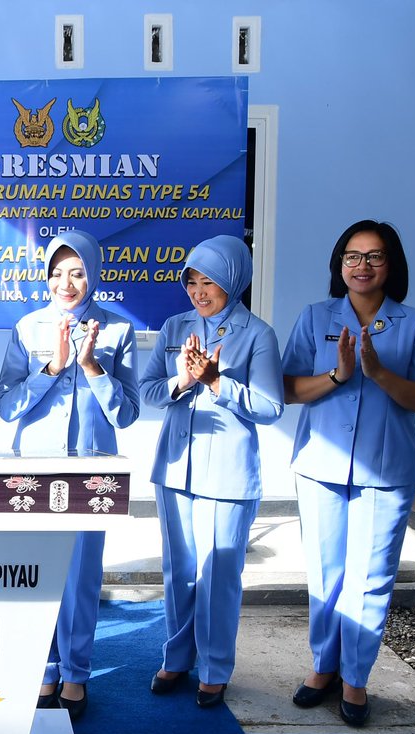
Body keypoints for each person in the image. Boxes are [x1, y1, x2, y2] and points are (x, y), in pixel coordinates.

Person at [282, 220, 415, 726]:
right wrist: (338, 375)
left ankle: (356, 679)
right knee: (326, 575)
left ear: (390, 265)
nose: (362, 266)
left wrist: (378, 374)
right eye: (352, 256)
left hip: (386, 470)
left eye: (374, 257)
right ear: (339, 265)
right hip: (320, 468)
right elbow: (289, 388)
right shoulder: (315, 318)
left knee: (371, 579)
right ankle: (323, 667)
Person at [0, 230, 140, 721]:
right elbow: (6, 407)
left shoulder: (117, 331)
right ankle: (45, 665)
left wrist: (92, 368)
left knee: (80, 577)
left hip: (91, 470)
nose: (66, 282)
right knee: (36, 571)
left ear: (93, 274)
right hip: (34, 471)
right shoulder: (27, 328)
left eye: (77, 272)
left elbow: (127, 416)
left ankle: (77, 672)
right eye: (57, 272)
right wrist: (53, 366)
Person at [139, 235, 283, 708]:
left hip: (227, 470)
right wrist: (182, 381)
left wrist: (217, 382)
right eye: (192, 281)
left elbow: (269, 406)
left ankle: (215, 667)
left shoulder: (257, 333)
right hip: (176, 467)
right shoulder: (174, 326)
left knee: (218, 572)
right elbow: (149, 393)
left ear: (235, 281)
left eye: (211, 282)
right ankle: (177, 658)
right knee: (179, 571)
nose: (199, 292)